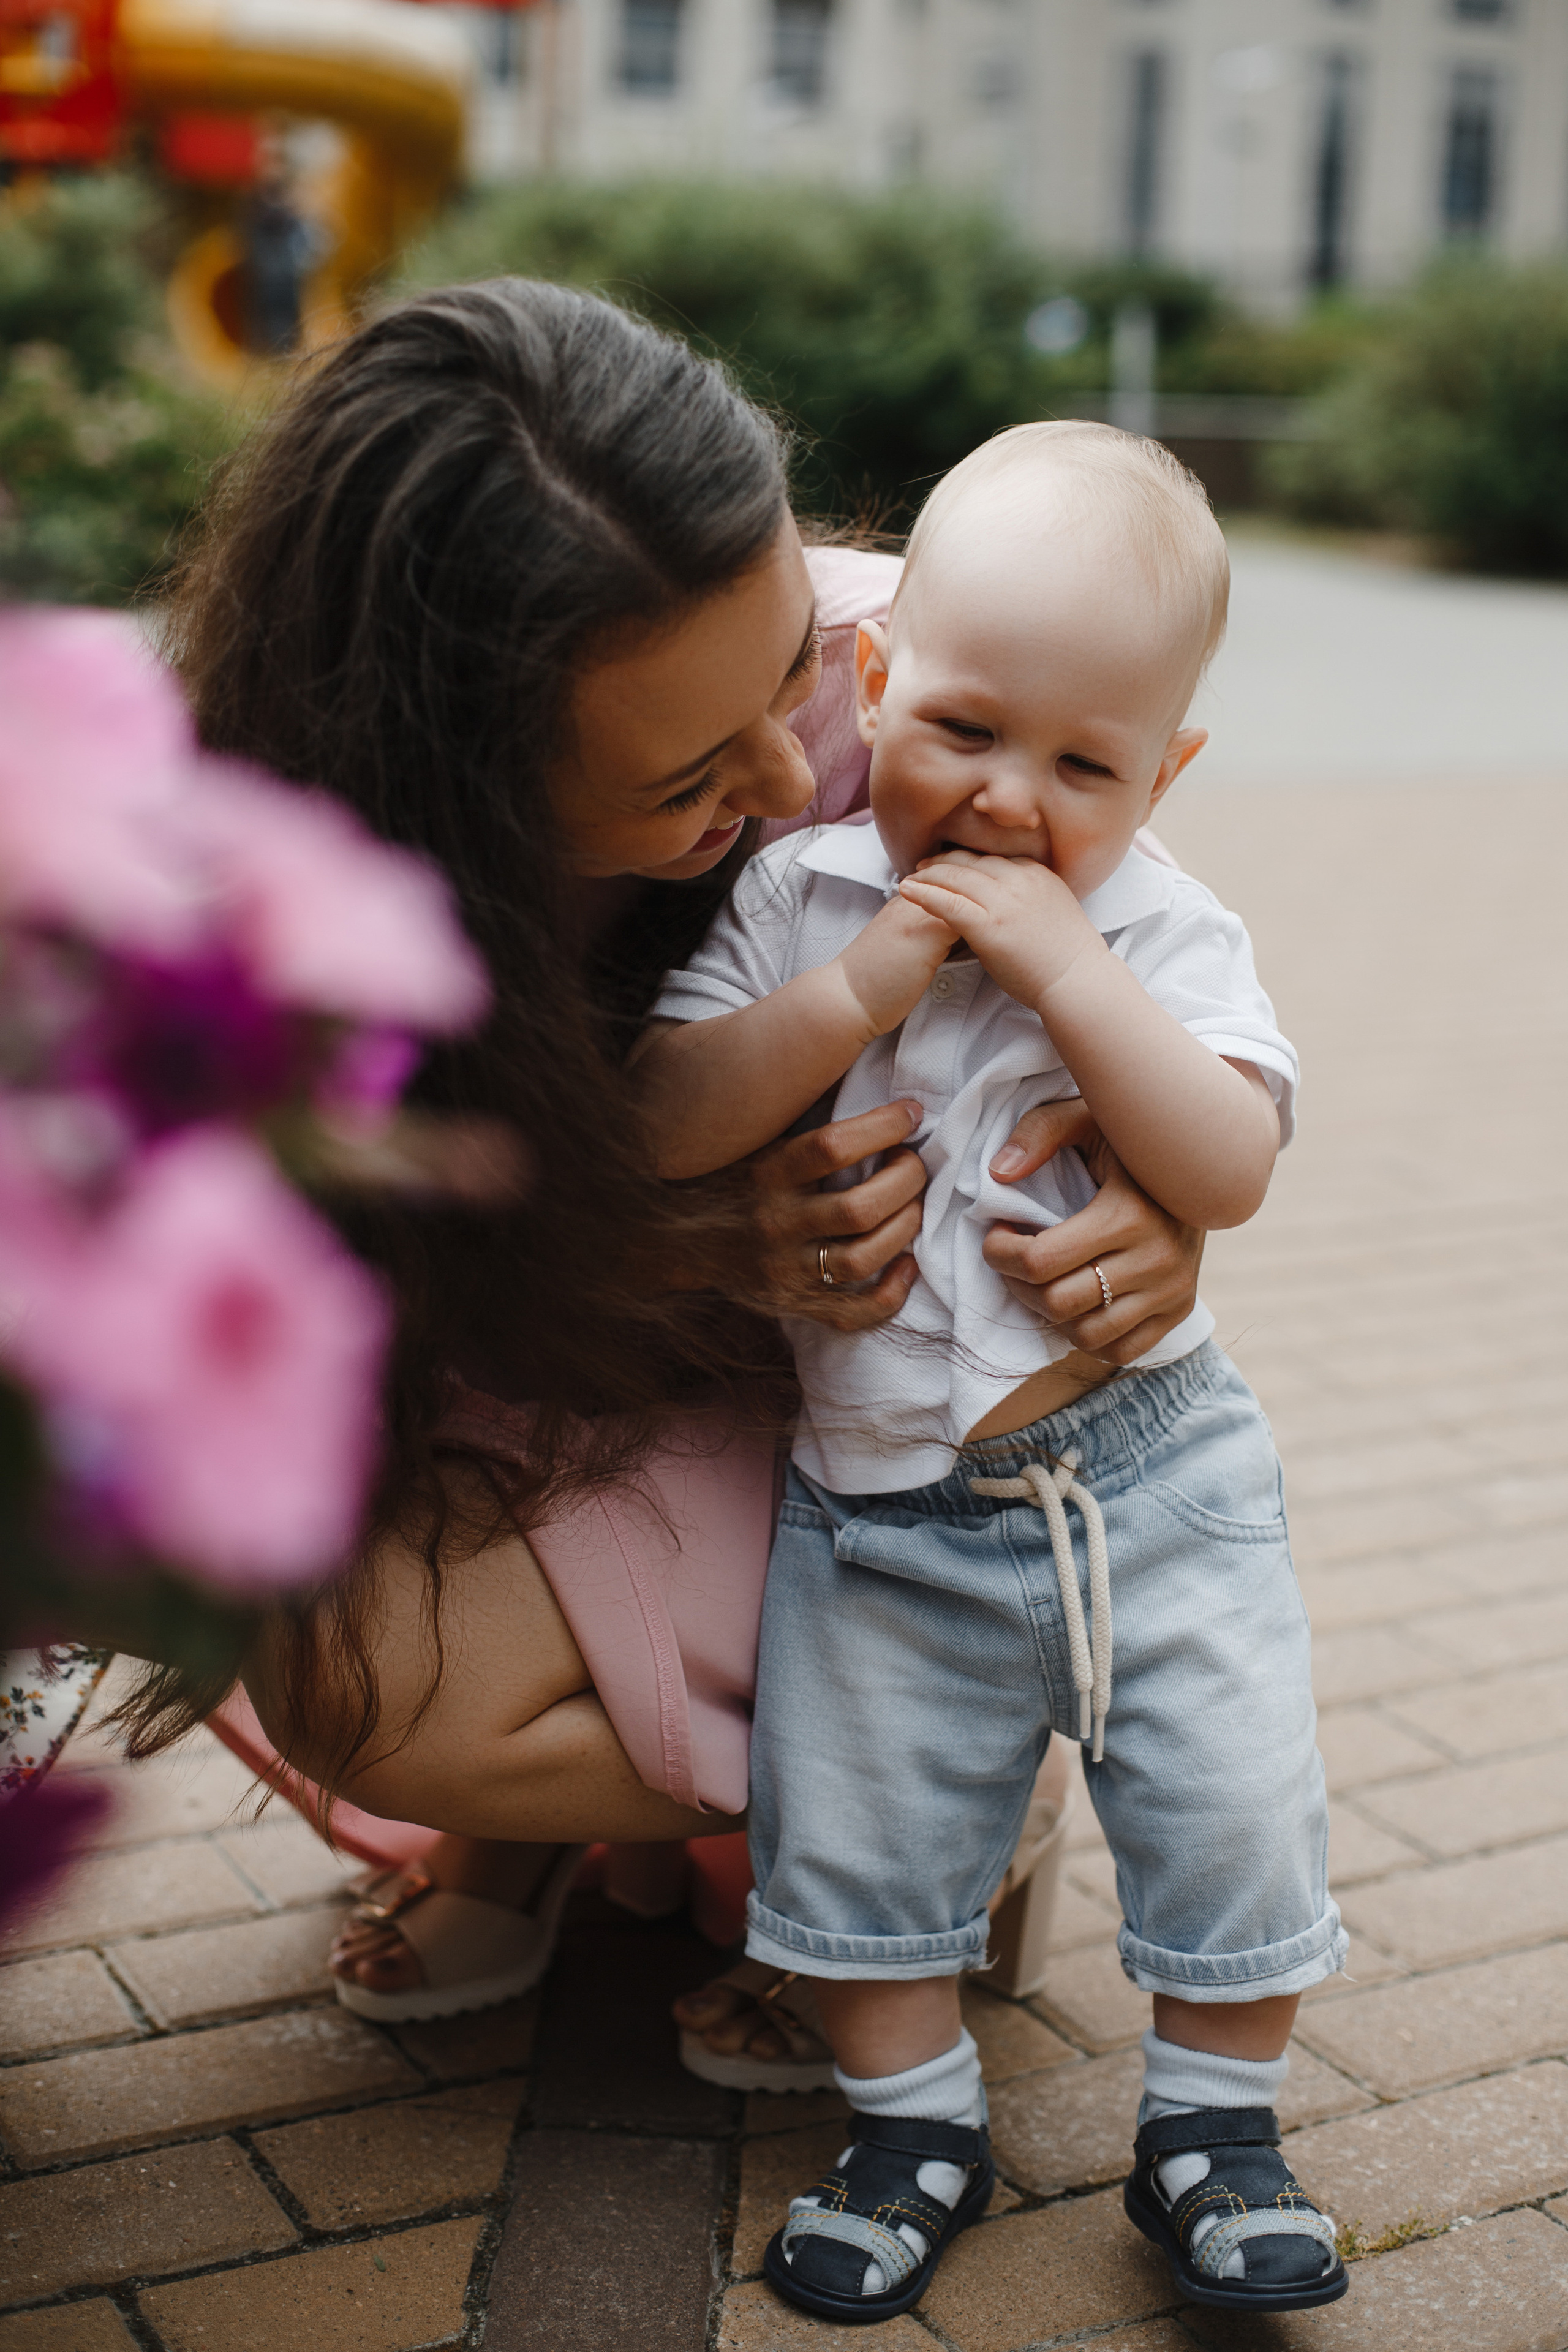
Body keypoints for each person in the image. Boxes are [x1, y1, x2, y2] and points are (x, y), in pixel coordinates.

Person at [132, 283, 1206, 2084]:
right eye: (694, 778)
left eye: (789, 666)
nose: (793, 772)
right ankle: (549, 1825)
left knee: (423, 1665)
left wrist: (1152, 1217)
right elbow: (291, 1318)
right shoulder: (272, 914)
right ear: (458, 799)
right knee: (354, 1665)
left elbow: (1150, 1008)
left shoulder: (932, 677)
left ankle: (937, 1796)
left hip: (848, 1416)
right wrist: (669, 1241)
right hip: (547, 1368)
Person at [633, 423, 1348, 2321]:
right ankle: (909, 2127)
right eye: (964, 729)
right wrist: (859, 992)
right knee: (853, 1842)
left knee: (1232, 1800)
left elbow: (1231, 1165)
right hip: (879, 1506)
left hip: (1151, 1478)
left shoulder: (1160, 925)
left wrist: (1074, 981)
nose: (1012, 801)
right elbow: (665, 1115)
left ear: (1161, 776)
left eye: (1084, 766)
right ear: (876, 684)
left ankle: (1217, 2132)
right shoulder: (795, 902)